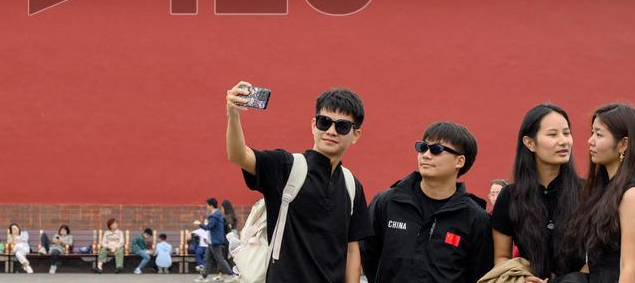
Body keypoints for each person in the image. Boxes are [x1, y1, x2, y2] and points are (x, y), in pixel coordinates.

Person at [226, 82, 371, 283]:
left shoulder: (352, 186)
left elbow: (352, 249)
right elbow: (239, 155)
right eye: (324, 122)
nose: (331, 131)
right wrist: (233, 115)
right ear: (313, 125)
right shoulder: (286, 166)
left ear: (355, 135)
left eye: (342, 126)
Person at [362, 121, 493, 283]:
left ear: (459, 161)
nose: (426, 155)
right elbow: (367, 255)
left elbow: (480, 275)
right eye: (422, 147)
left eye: (437, 150)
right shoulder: (387, 202)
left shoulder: (476, 219)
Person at [563, 103, 635, 283]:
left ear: (623, 144)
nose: (590, 140)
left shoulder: (633, 195)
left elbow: (629, 267)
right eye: (592, 133)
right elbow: (598, 261)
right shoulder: (605, 191)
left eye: (599, 134)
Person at [491, 104, 582, 282]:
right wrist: (523, 279)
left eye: (567, 132)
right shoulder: (510, 196)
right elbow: (501, 258)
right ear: (530, 143)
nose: (564, 141)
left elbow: (597, 257)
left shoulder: (588, 192)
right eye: (553, 134)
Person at [193, 198, 235, 281]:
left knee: (220, 259)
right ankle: (203, 276)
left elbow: (209, 227)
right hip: (212, 241)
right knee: (207, 258)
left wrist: (199, 224)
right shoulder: (217, 214)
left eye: (207, 205)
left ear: (211, 205)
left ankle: (232, 275)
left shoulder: (214, 215)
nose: (207, 207)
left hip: (215, 241)